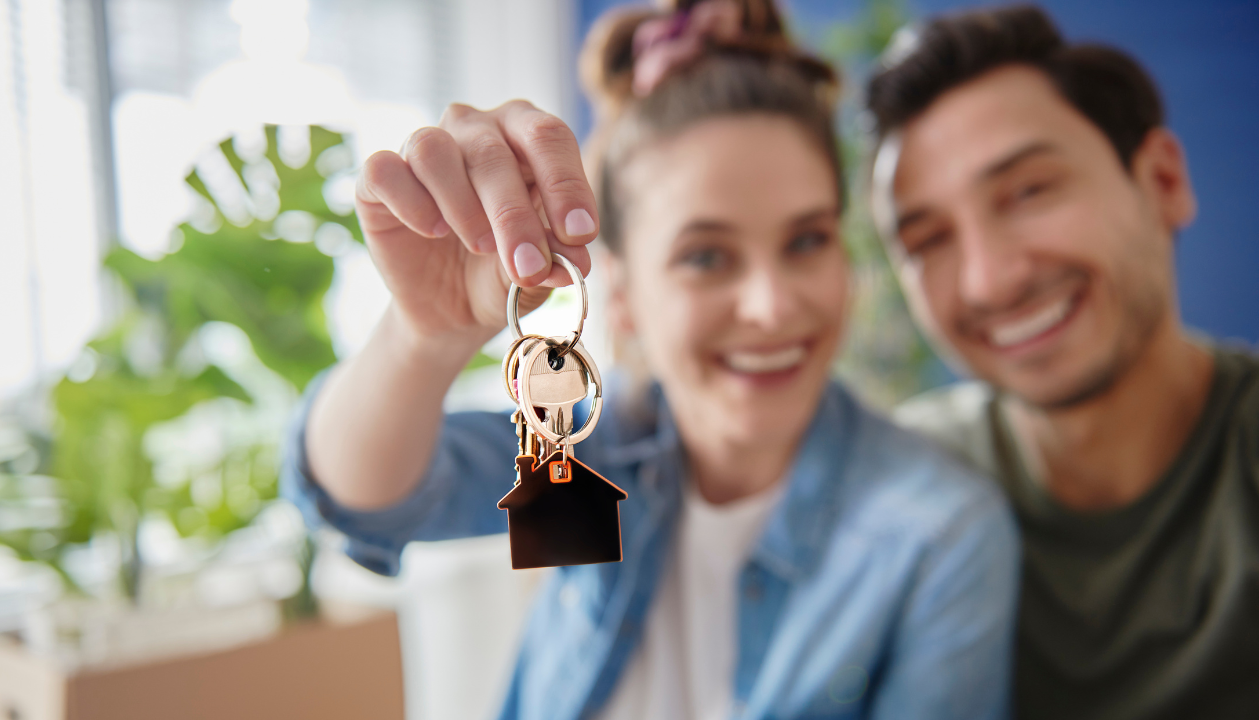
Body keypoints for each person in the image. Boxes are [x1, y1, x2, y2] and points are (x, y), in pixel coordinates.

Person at [282, 1, 1019, 718]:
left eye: (806, 240)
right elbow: (364, 499)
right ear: (623, 295)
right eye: (706, 255)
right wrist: (425, 333)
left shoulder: (938, 535)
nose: (771, 305)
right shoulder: (584, 449)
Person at [865, 5, 1259, 720]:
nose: (989, 280)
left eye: (1028, 191)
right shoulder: (901, 485)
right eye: (928, 241)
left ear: (1163, 181)